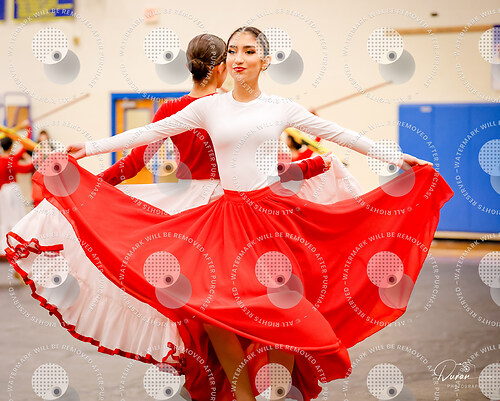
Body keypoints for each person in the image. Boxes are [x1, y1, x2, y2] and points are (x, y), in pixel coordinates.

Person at [7, 27, 453, 401]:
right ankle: (241, 394)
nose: (239, 58)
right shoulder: (207, 107)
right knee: (210, 308)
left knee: (285, 308)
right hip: (226, 219)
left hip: (275, 218)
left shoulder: (280, 107)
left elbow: (341, 134)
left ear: (265, 61)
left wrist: (397, 157)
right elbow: (147, 134)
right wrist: (87, 148)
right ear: (225, 62)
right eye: (234, 51)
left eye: (249, 51)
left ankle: (276, 391)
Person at [0, 137, 33, 255]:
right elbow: (26, 168)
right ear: (11, 147)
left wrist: (25, 141)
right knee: (17, 217)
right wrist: (31, 159)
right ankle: (17, 244)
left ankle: (5, 245)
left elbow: (18, 154)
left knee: (5, 218)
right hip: (12, 191)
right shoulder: (10, 161)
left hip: (2, 192)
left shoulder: (3, 159)